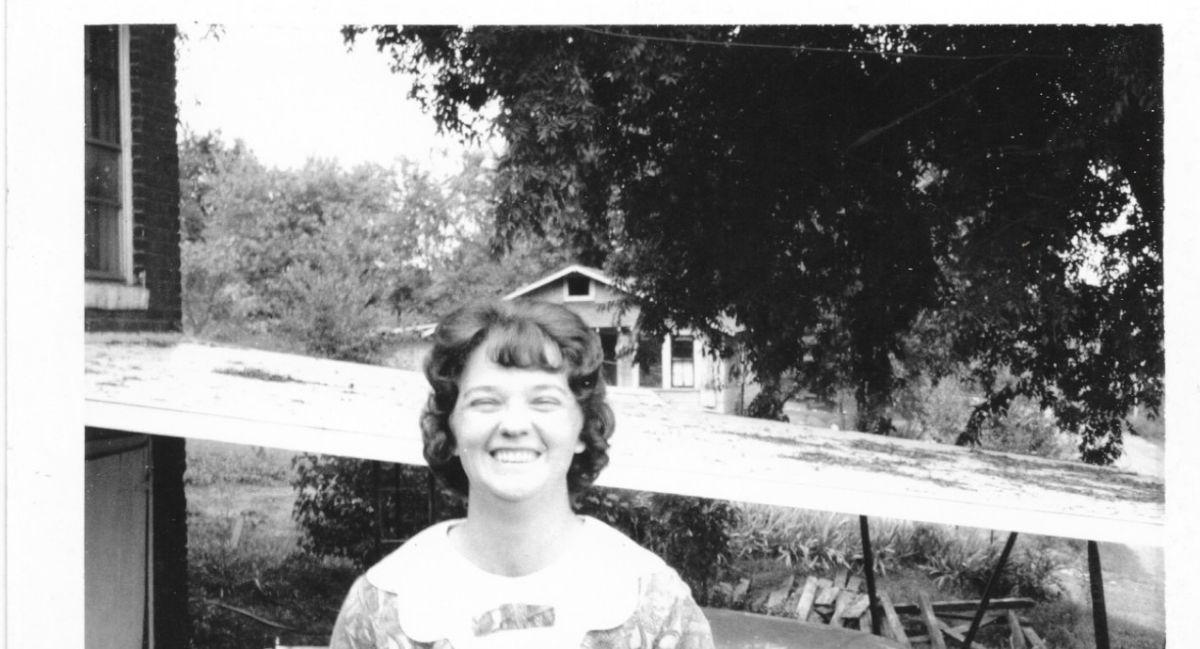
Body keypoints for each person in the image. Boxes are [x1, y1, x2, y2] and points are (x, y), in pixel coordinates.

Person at [330, 299, 715, 649]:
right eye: (485, 401)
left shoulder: (654, 607)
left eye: (544, 401)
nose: (514, 425)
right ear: (450, 429)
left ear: (583, 429)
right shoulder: (382, 609)